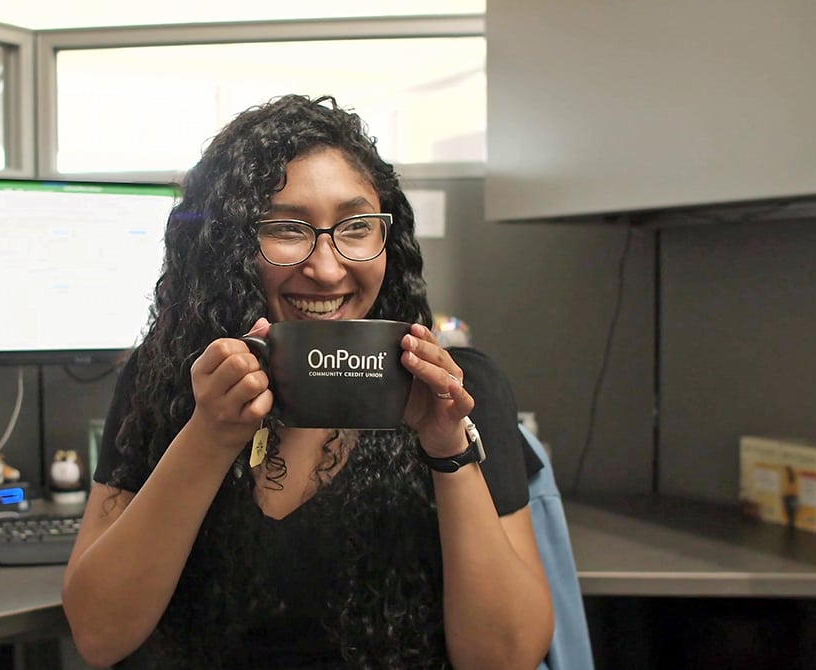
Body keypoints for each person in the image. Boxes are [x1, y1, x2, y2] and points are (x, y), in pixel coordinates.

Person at [62, 94, 555, 670]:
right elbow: (98, 635)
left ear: (385, 240)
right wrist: (209, 434)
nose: (325, 268)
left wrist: (446, 448)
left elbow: (506, 659)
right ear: (230, 247)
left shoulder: (459, 394)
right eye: (287, 229)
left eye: (356, 226)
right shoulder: (166, 382)